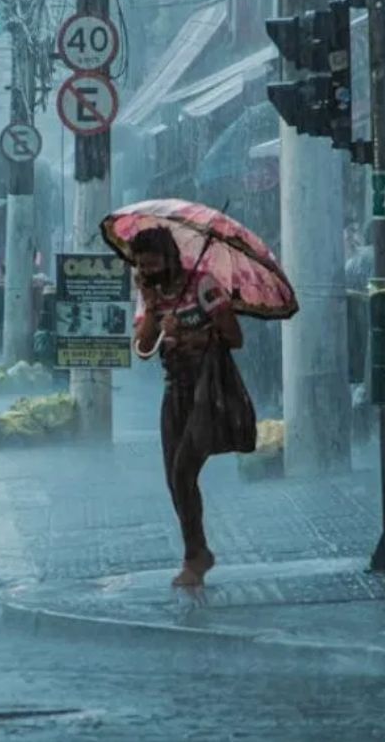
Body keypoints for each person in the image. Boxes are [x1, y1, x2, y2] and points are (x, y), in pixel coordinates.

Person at [131, 226, 244, 588]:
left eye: (152, 264)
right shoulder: (151, 294)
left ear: (169, 258)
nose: (147, 271)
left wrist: (190, 333)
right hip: (174, 388)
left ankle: (195, 557)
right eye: (141, 266)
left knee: (183, 472)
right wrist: (151, 308)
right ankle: (197, 550)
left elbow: (233, 337)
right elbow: (144, 348)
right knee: (174, 478)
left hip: (207, 388)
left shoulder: (203, 286)